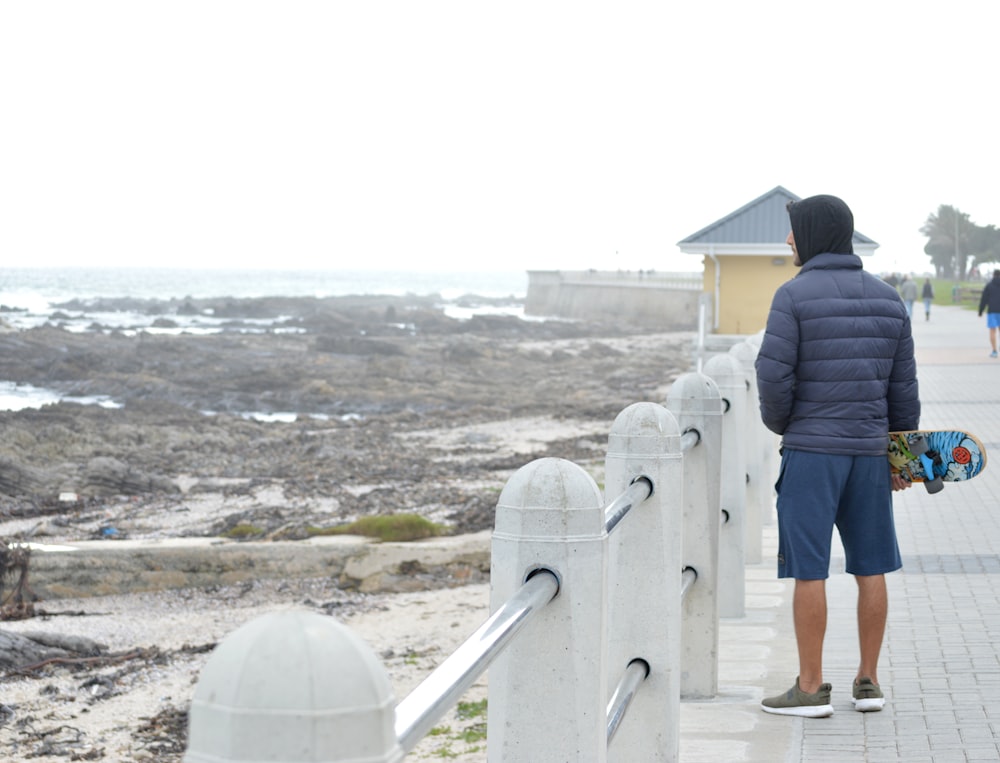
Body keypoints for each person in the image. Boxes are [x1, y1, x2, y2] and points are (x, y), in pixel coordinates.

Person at [754, 194, 920, 718]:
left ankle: (810, 688)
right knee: (872, 568)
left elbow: (772, 376)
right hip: (870, 455)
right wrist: (900, 458)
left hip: (813, 453)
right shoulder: (890, 299)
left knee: (810, 570)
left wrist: (787, 425)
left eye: (794, 231)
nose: (787, 241)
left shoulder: (793, 296)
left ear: (814, 234)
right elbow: (904, 392)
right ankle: (868, 683)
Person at [977, 269, 1000, 358]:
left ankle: (994, 351)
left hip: (992, 311)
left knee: (992, 331)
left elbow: (984, 299)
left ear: (993, 275)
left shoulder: (989, 286)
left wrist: (980, 311)